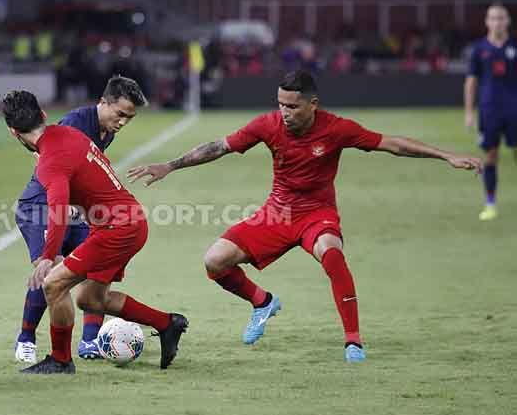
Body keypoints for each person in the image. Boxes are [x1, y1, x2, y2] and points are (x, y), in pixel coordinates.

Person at [128, 70, 482, 363]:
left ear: (313, 105)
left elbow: (392, 144)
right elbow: (219, 146)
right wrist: (170, 165)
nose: (284, 112)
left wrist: (446, 155)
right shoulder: (268, 125)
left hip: (318, 213)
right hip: (278, 212)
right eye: (280, 104)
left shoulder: (337, 129)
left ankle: (353, 341)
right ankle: (262, 302)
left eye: (293, 106)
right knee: (214, 261)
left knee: (331, 252)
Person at [2, 90, 188, 374]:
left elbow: (58, 211)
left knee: (53, 284)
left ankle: (61, 360)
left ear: (13, 132)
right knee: (90, 300)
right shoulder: (72, 134)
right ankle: (167, 323)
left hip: (117, 229)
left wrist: (46, 257)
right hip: (128, 221)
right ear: (42, 115)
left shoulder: (49, 161)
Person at [14, 75, 148, 363]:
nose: (123, 121)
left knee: (93, 268)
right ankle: (25, 338)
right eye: (120, 113)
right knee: (49, 270)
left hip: (75, 207)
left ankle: (89, 341)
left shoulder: (107, 130)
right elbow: (46, 158)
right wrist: (69, 205)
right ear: (103, 102)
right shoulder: (76, 123)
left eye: (129, 117)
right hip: (42, 205)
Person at [464, 4, 517, 221]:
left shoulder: (515, 46)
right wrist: (469, 111)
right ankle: (490, 203)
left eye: (501, 18)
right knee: (491, 156)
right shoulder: (478, 49)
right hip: (489, 110)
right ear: (487, 21)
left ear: (508, 21)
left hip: (515, 109)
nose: (497, 22)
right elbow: (471, 81)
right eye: (493, 18)